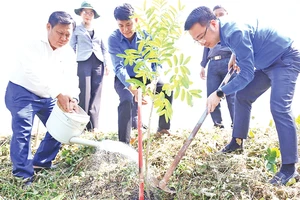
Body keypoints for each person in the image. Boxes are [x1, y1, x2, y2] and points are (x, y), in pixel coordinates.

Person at [184, 6, 300, 185]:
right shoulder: (224, 32)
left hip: (284, 59)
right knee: (242, 96)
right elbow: (243, 46)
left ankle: (289, 168)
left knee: (279, 107)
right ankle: (237, 142)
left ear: (213, 23)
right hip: (266, 64)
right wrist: (235, 56)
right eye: (196, 40)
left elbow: (247, 74)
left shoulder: (234, 31)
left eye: (201, 37)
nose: (202, 43)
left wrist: (219, 93)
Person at [5, 11, 79, 186]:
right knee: (23, 131)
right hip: (22, 91)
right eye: (60, 33)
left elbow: (71, 78)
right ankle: (23, 175)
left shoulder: (68, 53)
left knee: (61, 126)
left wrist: (72, 97)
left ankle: (41, 163)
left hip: (49, 95)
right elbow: (33, 74)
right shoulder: (32, 44)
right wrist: (59, 94)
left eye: (68, 35)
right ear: (48, 27)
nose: (63, 38)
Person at [107, 3, 173, 144]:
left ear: (136, 20)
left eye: (128, 24)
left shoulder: (146, 36)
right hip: (124, 78)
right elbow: (119, 67)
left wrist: (153, 82)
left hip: (145, 75)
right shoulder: (113, 39)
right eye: (121, 25)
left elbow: (156, 62)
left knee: (166, 88)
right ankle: (123, 142)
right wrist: (133, 89)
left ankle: (163, 128)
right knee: (126, 100)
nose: (125, 29)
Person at [70, 1, 109, 132]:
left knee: (96, 93)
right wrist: (69, 63)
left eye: (91, 12)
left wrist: (107, 64)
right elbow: (72, 47)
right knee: (84, 93)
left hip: (98, 62)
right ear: (81, 13)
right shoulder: (76, 29)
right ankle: (82, 125)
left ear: (94, 15)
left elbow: (104, 49)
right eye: (85, 12)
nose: (88, 15)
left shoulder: (99, 30)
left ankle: (94, 126)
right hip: (83, 62)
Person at [200, 5, 235, 129]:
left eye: (221, 14)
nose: (218, 17)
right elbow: (206, 47)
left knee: (232, 94)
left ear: (227, 14)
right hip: (213, 64)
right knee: (212, 94)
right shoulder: (210, 32)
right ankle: (217, 125)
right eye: (216, 15)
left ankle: (235, 124)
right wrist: (203, 66)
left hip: (229, 62)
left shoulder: (232, 29)